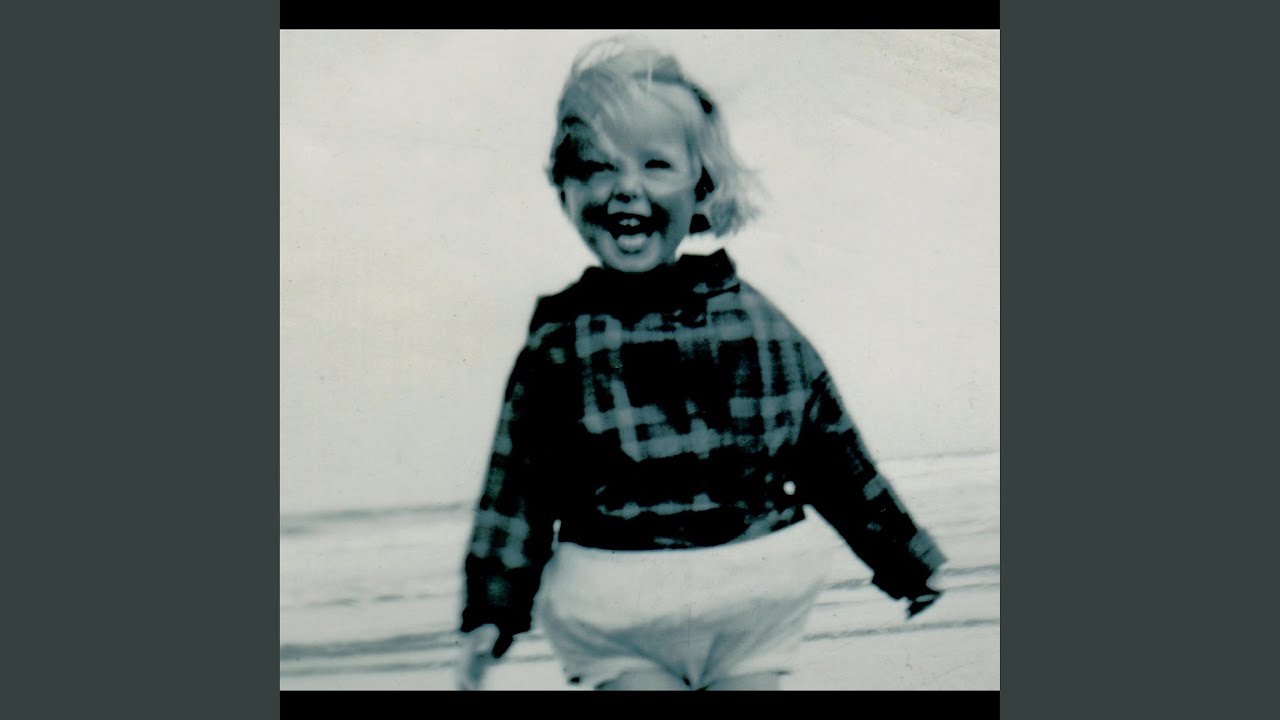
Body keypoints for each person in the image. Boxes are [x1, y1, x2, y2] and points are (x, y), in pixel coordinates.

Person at [456, 35, 945, 692]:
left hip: (728, 598)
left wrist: (905, 561)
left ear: (702, 185)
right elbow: (518, 485)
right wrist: (491, 611)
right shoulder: (562, 345)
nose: (625, 188)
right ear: (563, 187)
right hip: (639, 604)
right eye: (596, 167)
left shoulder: (756, 324)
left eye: (655, 164)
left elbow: (832, 454)